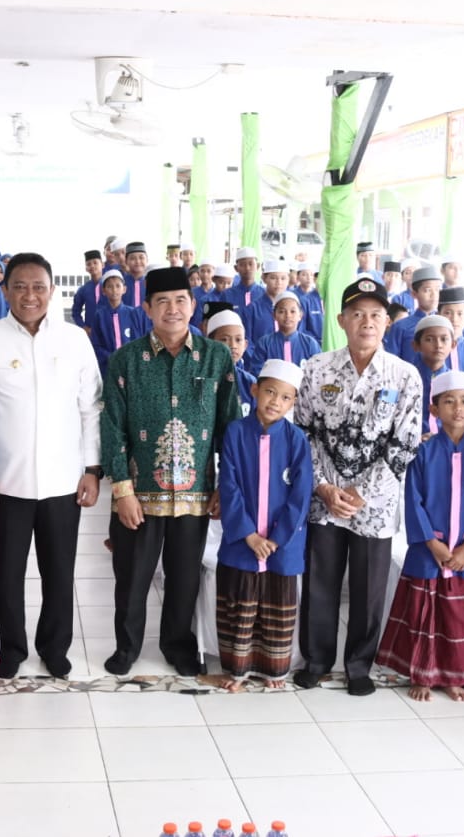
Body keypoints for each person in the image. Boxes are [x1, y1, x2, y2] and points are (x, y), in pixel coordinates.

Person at [0, 252, 102, 679]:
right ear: (5, 290)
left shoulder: (74, 340)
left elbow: (91, 408)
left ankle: (54, 648)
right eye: (20, 286)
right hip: (3, 483)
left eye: (39, 287)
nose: (30, 295)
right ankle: (10, 648)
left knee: (59, 572)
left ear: (52, 291)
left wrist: (92, 469)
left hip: (64, 482)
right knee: (6, 573)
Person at [101, 265, 242, 677]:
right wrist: (122, 490)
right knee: (132, 576)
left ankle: (178, 646)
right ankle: (127, 647)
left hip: (197, 491)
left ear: (193, 306)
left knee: (184, 577)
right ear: (147, 308)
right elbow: (112, 426)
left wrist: (226, 486)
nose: (172, 309)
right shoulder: (125, 360)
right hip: (139, 491)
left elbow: (230, 426)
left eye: (180, 300)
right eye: (162, 301)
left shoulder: (216, 357)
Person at [292, 277, 423, 696]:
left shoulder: (405, 376)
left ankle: (359, 666)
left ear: (387, 322)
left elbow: (404, 445)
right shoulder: (317, 369)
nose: (367, 322)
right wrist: (323, 487)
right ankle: (316, 661)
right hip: (324, 501)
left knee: (368, 592)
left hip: (375, 506)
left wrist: (362, 493)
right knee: (320, 584)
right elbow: (303, 433)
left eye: (375, 315)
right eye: (358, 314)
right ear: (341, 320)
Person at [377, 370, 464, 702]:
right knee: (423, 615)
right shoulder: (422, 452)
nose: (457, 408)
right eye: (449, 402)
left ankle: (454, 677)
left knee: (459, 618)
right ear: (434, 409)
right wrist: (432, 542)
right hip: (428, 552)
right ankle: (422, 675)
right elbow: (412, 500)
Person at [216, 358, 313, 691]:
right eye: (270, 392)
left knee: (277, 607)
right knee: (239, 605)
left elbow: (301, 494)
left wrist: (276, 539)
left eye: (285, 397)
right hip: (242, 541)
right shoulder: (235, 432)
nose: (276, 402)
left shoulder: (297, 439)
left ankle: (274, 671)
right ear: (255, 390)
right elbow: (228, 486)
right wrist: (248, 534)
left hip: (280, 545)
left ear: (293, 402)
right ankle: (237, 671)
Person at [90, 268, 152, 377]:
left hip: (132, 366)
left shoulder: (133, 313)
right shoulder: (100, 316)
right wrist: (111, 357)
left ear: (124, 289)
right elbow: (96, 344)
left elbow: (140, 340)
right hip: (108, 367)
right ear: (103, 291)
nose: (114, 290)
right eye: (109, 286)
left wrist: (130, 358)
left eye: (118, 286)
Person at [243, 291, 321, 377]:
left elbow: (318, 373)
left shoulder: (310, 344)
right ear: (274, 315)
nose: (288, 315)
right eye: (282, 311)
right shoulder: (264, 344)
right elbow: (256, 373)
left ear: (300, 315)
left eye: (292, 311)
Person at [385, 265, 442, 356]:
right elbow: (391, 359)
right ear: (414, 294)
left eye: (437, 289)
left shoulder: (444, 325)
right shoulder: (400, 327)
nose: (434, 295)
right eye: (427, 290)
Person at [206, 310, 255, 416]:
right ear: (210, 344)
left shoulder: (250, 382)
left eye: (238, 340)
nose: (233, 345)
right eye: (224, 339)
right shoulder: (201, 379)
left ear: (245, 345)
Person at [241, 259, 292, 344]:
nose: (279, 282)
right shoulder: (251, 309)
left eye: (283, 278)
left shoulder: (294, 309)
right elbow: (246, 340)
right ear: (264, 278)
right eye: (273, 278)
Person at [71, 249, 105, 332]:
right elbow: (75, 312)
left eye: (95, 263)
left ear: (102, 264)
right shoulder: (83, 290)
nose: (92, 266)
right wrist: (84, 328)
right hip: (91, 333)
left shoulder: (111, 286)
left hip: (110, 331)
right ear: (86, 268)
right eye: (88, 264)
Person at [294, 264, 325, 343]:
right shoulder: (304, 300)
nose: (308, 278)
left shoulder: (332, 300)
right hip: (313, 344)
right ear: (315, 279)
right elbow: (301, 329)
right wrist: (316, 341)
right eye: (304, 274)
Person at [122, 241, 150, 308]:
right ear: (126, 261)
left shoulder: (152, 283)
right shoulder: (121, 283)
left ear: (147, 260)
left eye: (141, 257)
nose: (137, 261)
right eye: (132, 258)